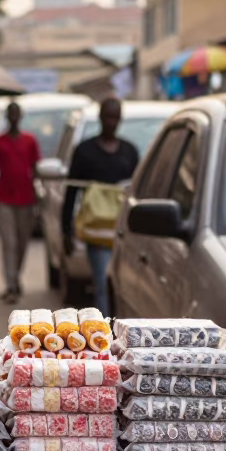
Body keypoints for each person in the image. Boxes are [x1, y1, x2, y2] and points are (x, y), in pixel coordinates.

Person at [61, 96, 139, 314]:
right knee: (102, 284)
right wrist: (66, 231)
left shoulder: (130, 152)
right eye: (107, 117)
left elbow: (137, 194)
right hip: (97, 232)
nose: (111, 122)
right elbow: (71, 191)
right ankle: (103, 334)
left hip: (122, 232)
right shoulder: (84, 151)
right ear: (100, 118)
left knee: (124, 287)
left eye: (115, 118)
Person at [0, 101, 40, 302]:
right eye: (11, 114)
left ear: (21, 116)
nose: (14, 118)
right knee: (9, 242)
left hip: (26, 199)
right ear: (7, 117)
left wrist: (38, 198)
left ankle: (15, 277)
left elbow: (35, 170)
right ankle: (11, 285)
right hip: (4, 199)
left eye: (17, 114)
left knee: (22, 243)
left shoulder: (29, 141)